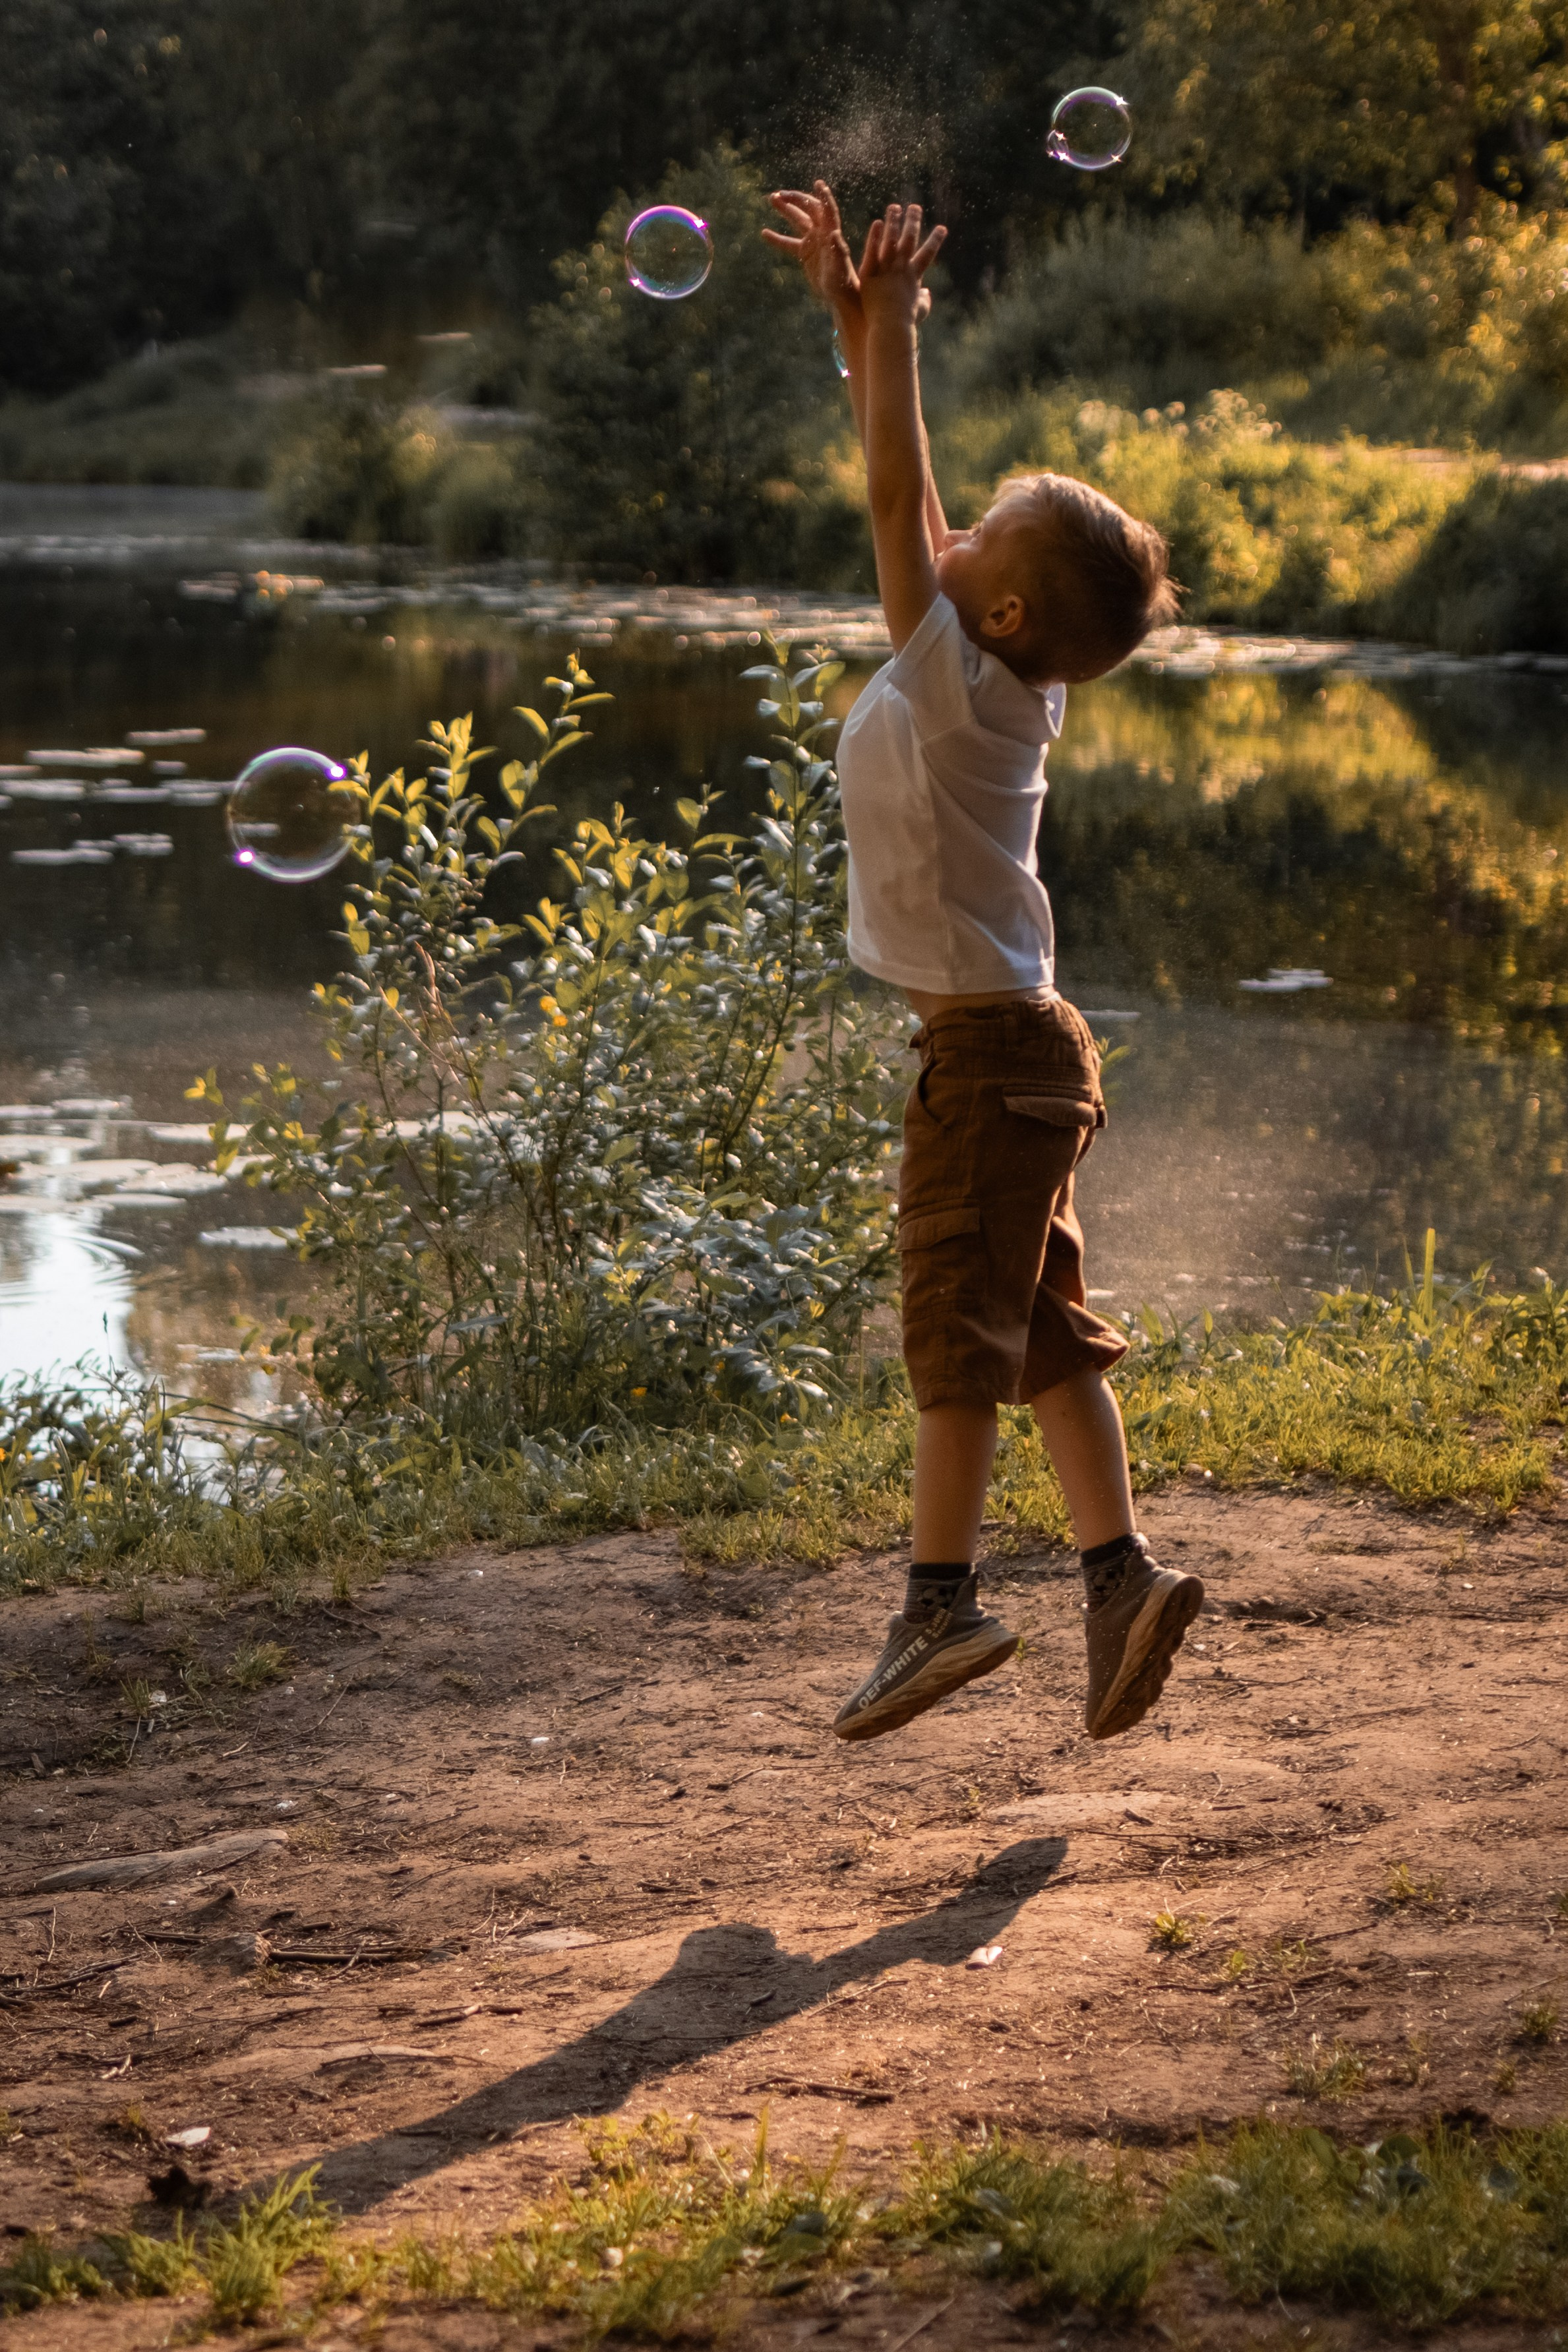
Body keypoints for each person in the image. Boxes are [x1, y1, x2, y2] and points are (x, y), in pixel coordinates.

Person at [763, 183, 1203, 1745]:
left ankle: (937, 1606)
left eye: (979, 539)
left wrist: (889, 332)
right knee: (1046, 1332)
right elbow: (914, 508)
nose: (945, 535)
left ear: (1000, 605)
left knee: (959, 1332)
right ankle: (1118, 1579)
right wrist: (856, 327)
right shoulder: (984, 672)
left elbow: (896, 505)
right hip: (1020, 1048)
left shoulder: (955, 685)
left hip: (992, 1060)